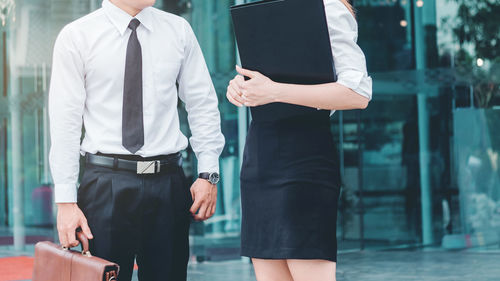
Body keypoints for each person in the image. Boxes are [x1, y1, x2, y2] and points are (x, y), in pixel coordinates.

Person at [49, 0, 225, 280]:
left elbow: (202, 103)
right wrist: (66, 202)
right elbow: (64, 124)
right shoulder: (77, 36)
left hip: (168, 183)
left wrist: (209, 172)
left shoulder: (178, 30)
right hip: (105, 185)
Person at [226, 0, 372, 280]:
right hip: (260, 156)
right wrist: (240, 88)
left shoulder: (328, 8)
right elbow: (267, 81)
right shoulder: (267, 10)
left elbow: (358, 93)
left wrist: (275, 91)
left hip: (305, 156)